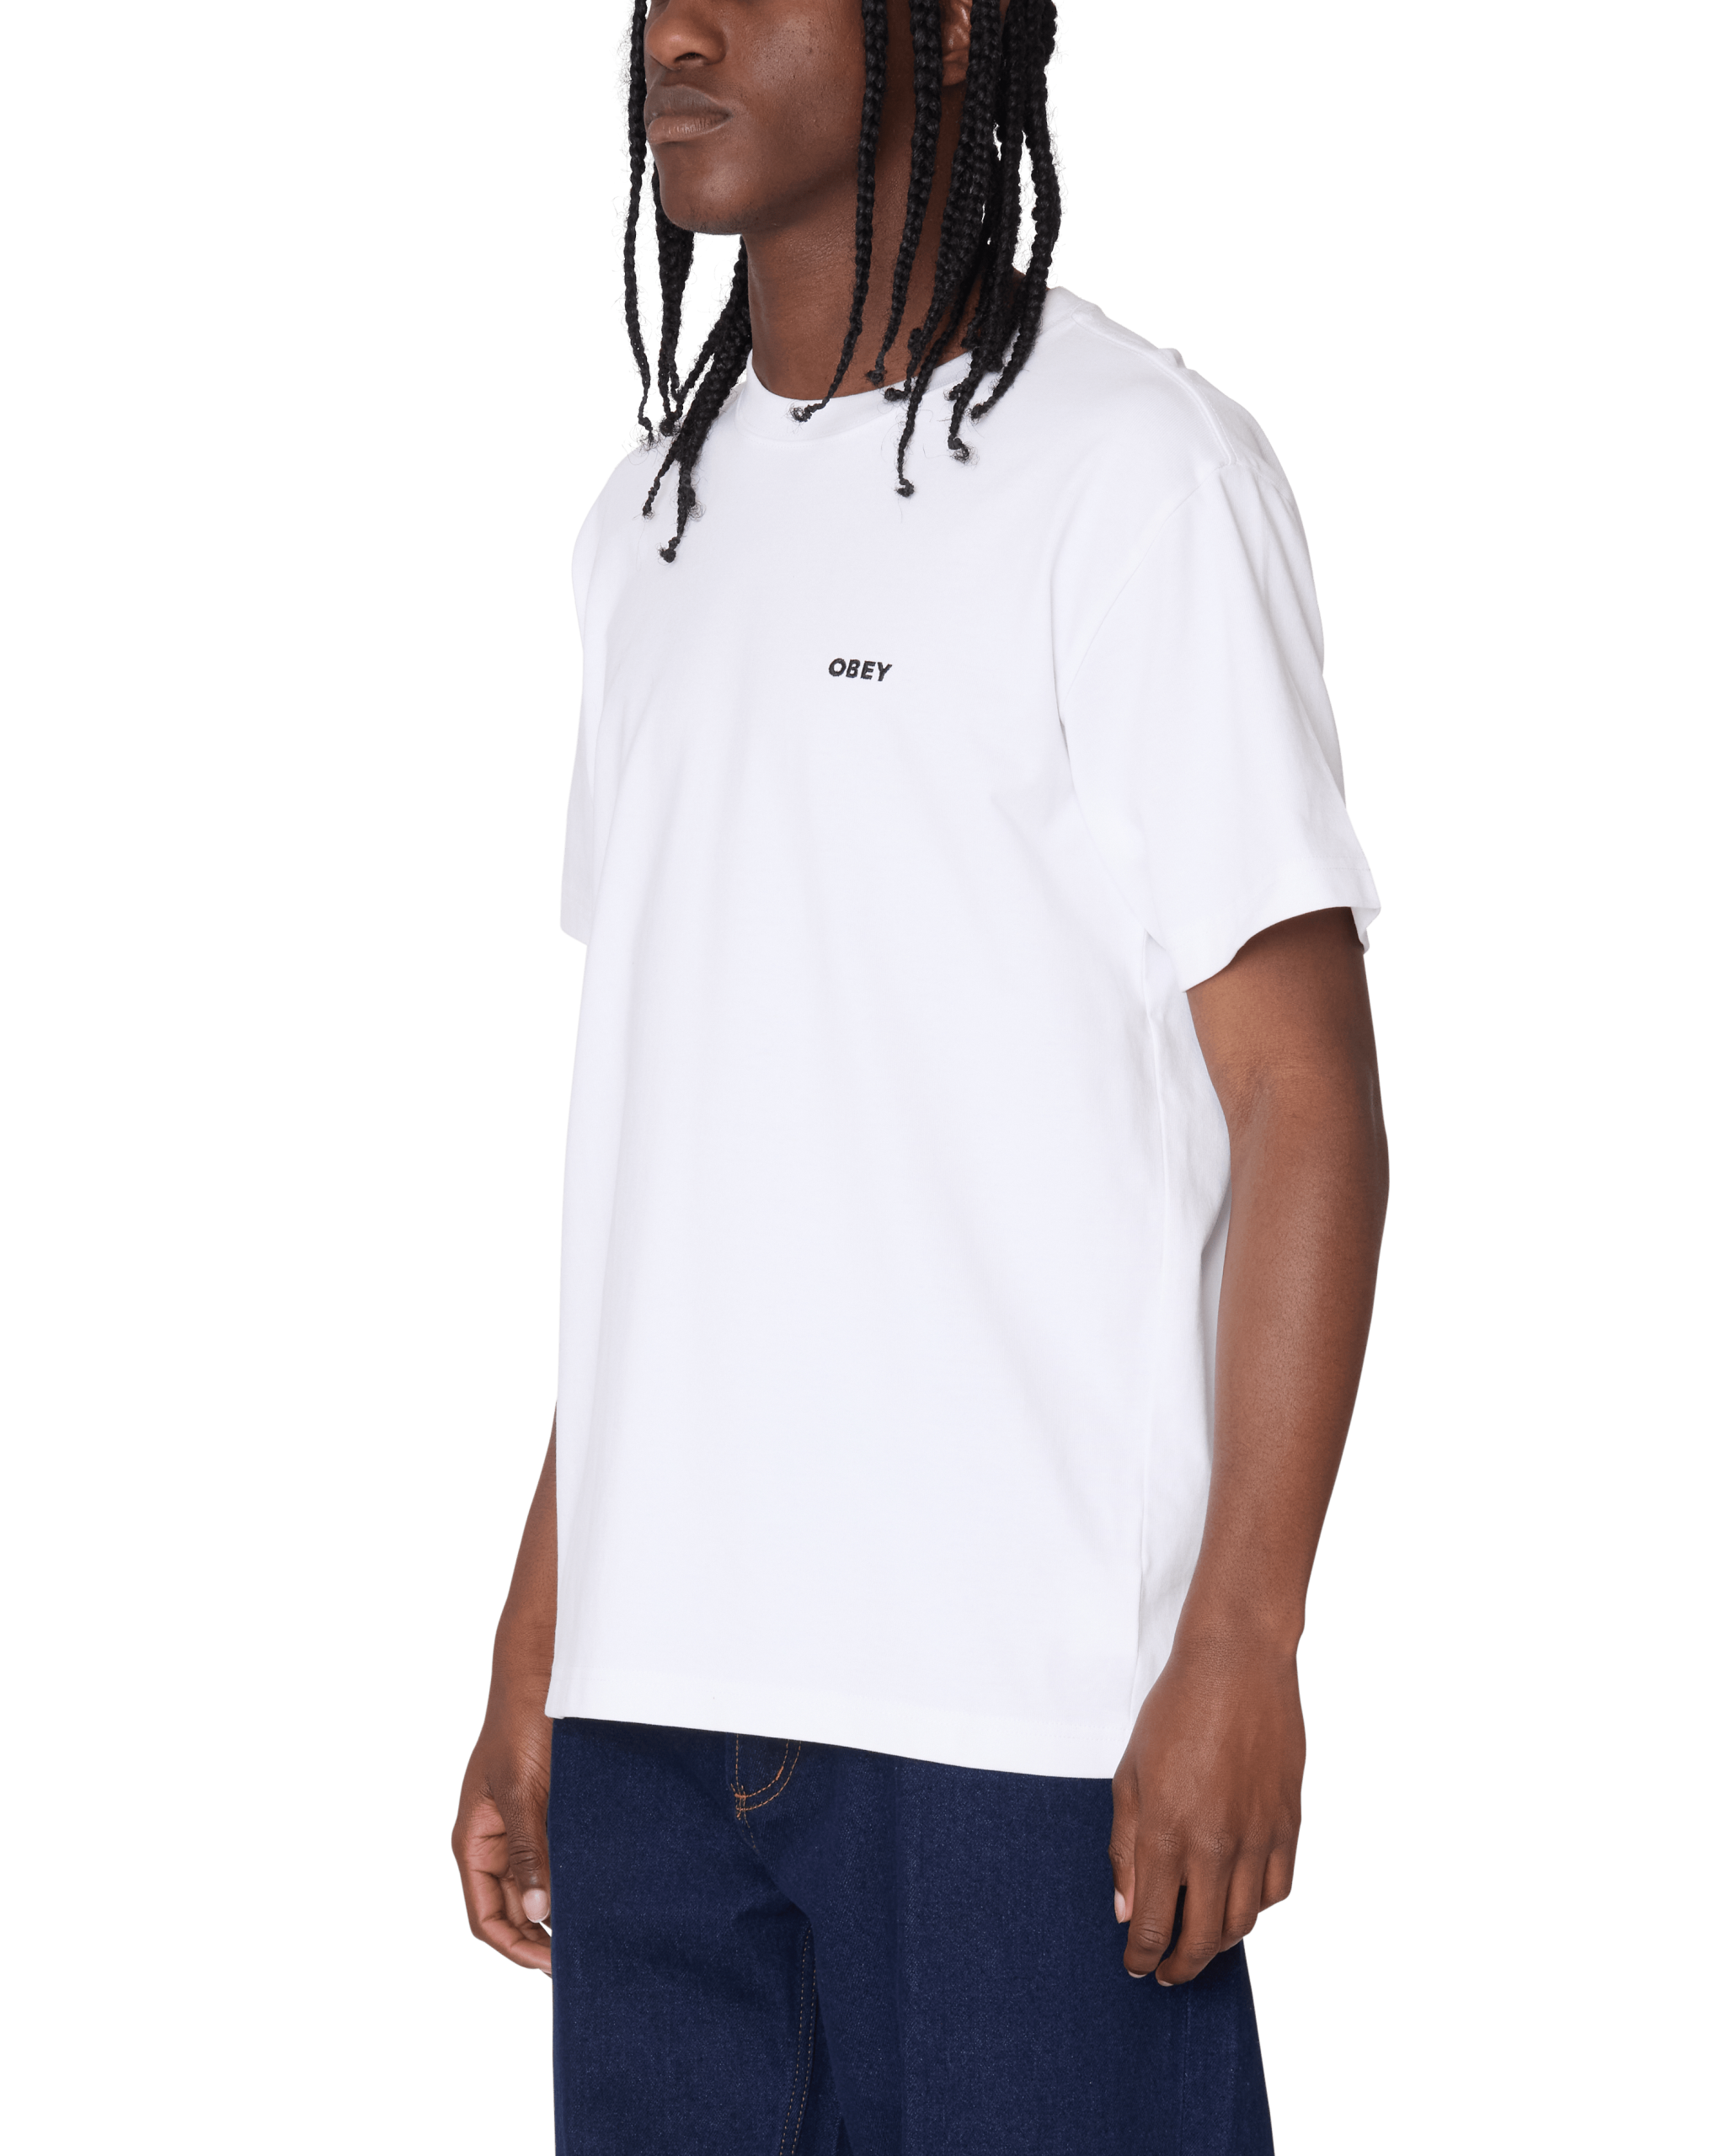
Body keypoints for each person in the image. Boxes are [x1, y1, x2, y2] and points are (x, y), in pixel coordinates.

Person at [451, 2, 1389, 2148]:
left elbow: (1306, 1097)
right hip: (656, 1715)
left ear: (952, 29)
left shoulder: (1138, 474)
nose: (676, 33)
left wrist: (1244, 1641)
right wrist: (538, 1639)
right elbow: (676, 1143)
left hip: (1021, 1712)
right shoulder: (644, 530)